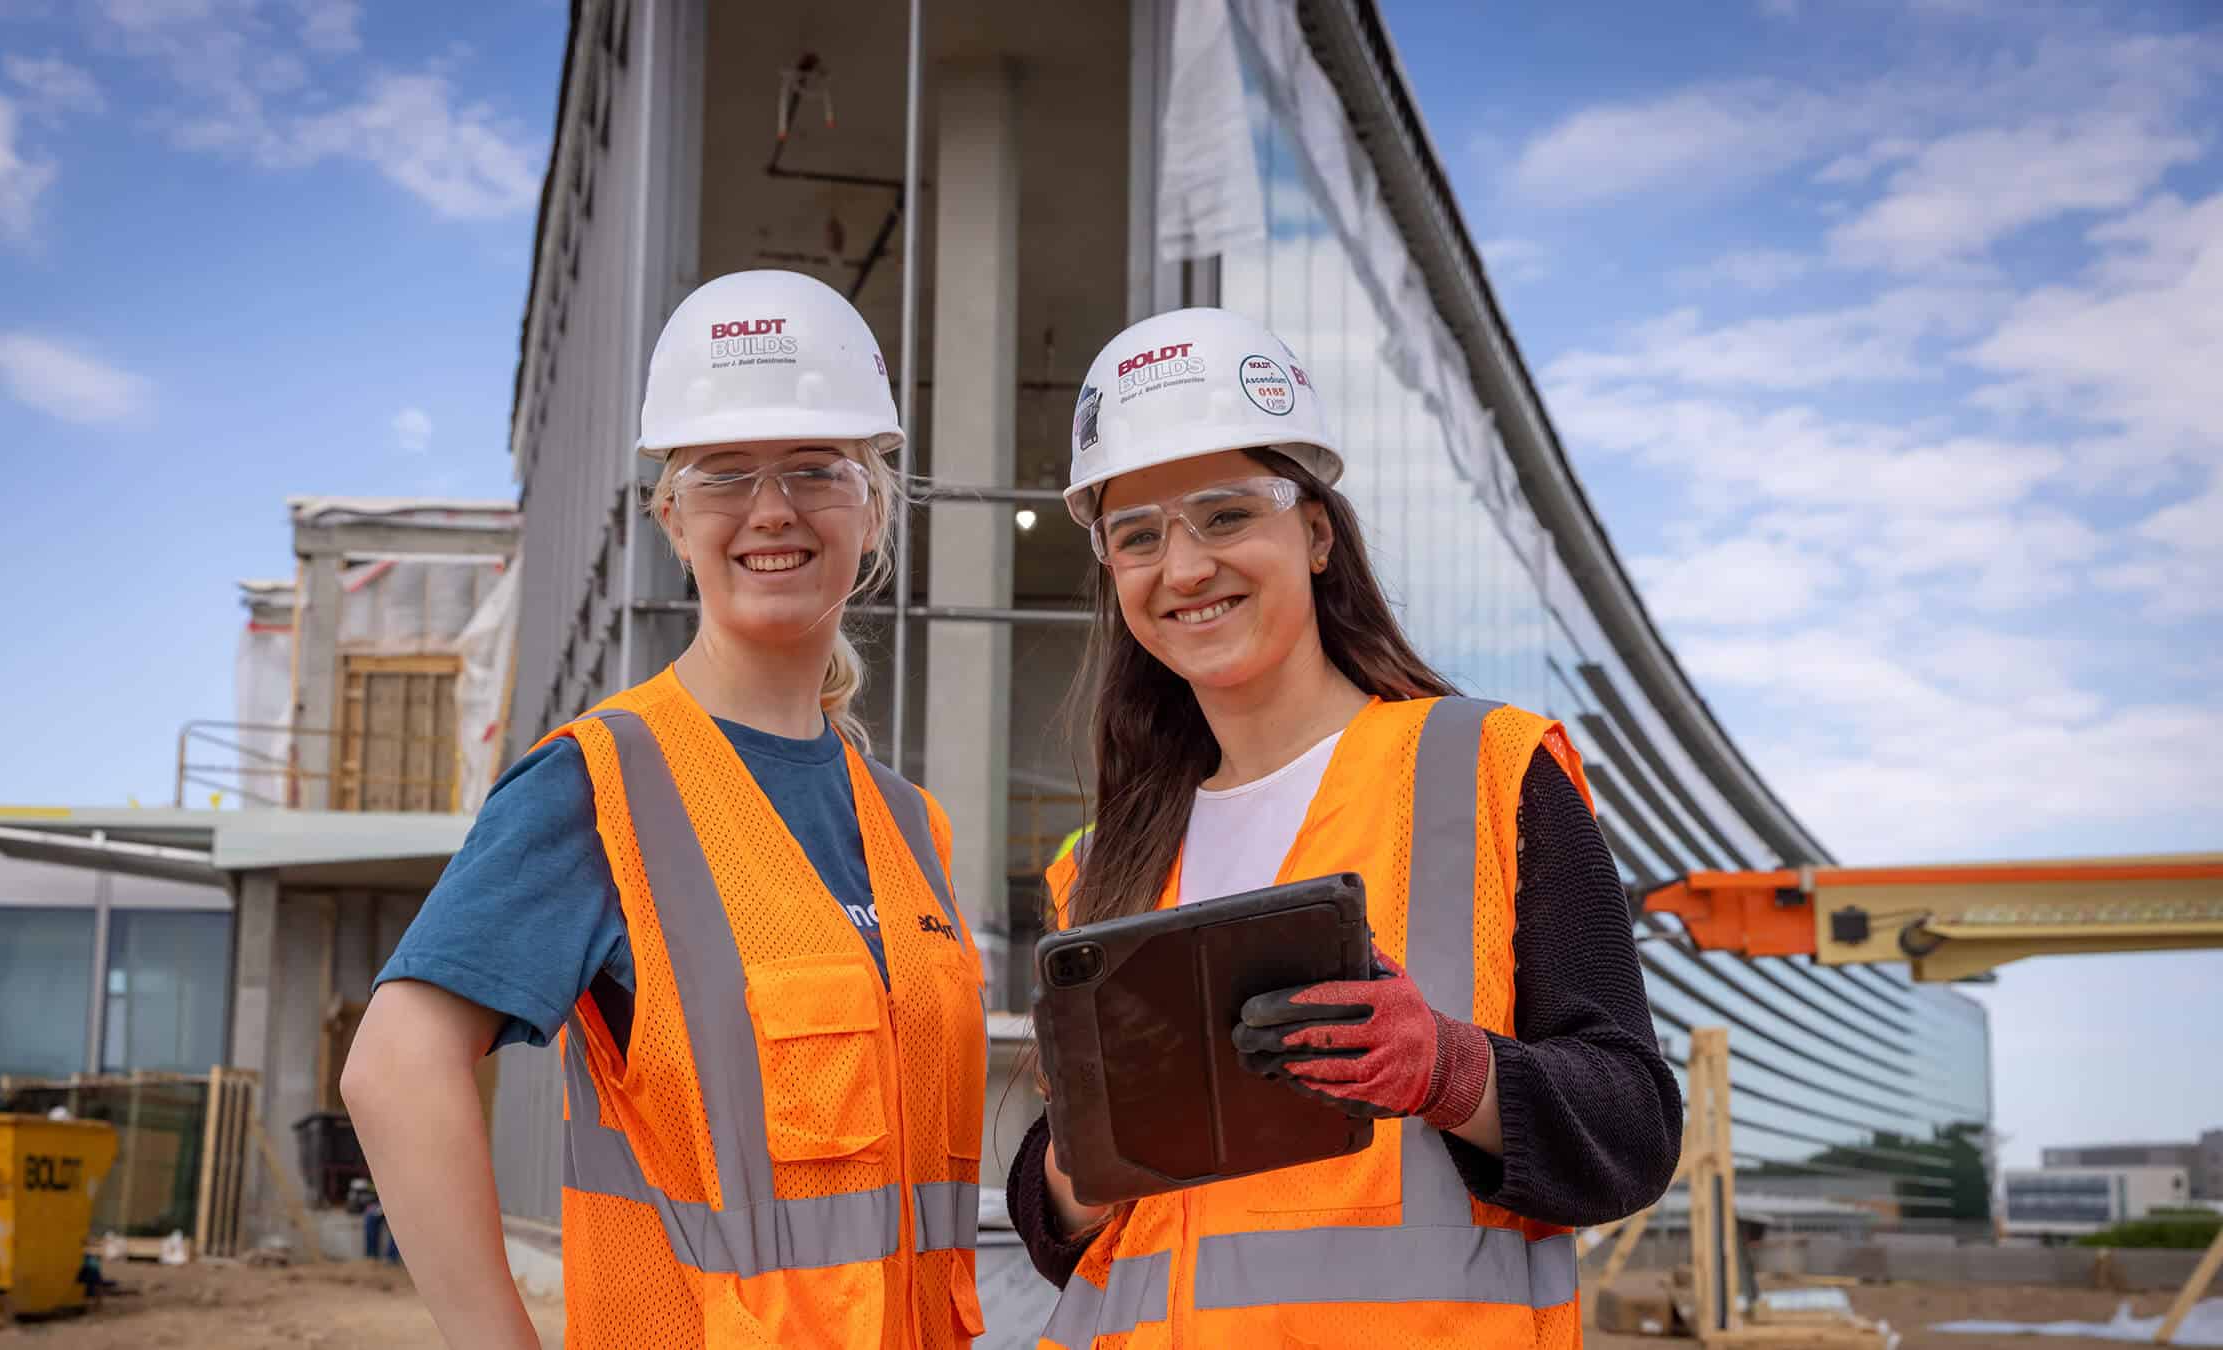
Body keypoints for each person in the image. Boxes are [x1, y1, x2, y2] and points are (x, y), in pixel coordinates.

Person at [1005, 308, 1681, 1347]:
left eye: (1226, 516)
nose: (1182, 568)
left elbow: (1632, 1131)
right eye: (1137, 535)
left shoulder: (1485, 769)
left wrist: (1453, 1073)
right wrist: (1078, 1164)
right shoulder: (1097, 866)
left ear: (1315, 532)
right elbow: (1068, 1232)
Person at [345, 270, 991, 1350]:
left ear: (873, 508)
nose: (772, 508)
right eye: (725, 474)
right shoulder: (599, 783)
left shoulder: (910, 825)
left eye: (817, 471)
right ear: (672, 518)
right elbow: (395, 1068)